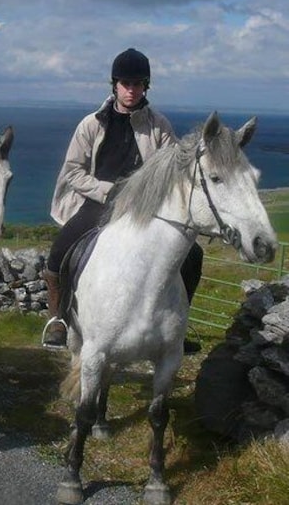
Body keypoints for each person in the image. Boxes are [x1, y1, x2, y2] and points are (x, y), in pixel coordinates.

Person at [42, 48, 203, 352]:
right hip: (100, 204)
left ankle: (179, 324)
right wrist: (106, 190)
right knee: (60, 250)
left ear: (146, 86)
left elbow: (174, 169)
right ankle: (58, 319)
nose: (132, 89)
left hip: (145, 208)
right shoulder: (91, 124)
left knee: (193, 254)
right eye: (126, 83)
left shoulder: (159, 125)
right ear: (114, 85)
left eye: (138, 83)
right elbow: (73, 172)